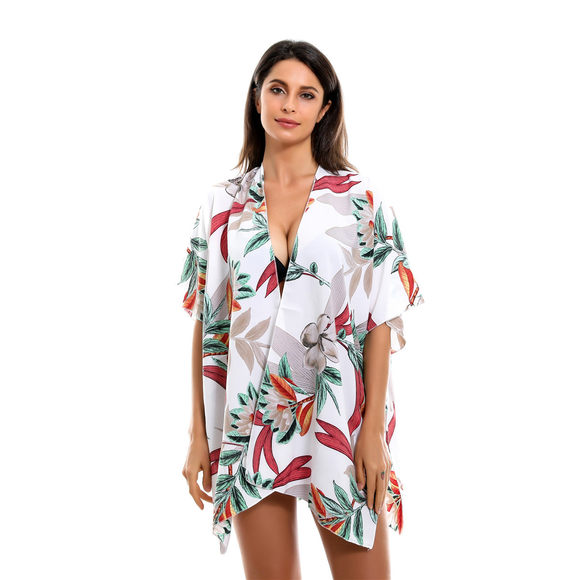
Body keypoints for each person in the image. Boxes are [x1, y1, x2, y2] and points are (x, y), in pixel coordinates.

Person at [179, 39, 425, 579]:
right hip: (251, 421)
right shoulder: (221, 205)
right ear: (257, 98)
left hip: (336, 415)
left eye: (306, 94)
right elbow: (209, 325)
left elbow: (379, 320)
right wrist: (199, 434)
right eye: (278, 89)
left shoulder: (360, 200)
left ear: (325, 109)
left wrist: (371, 434)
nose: (289, 104)